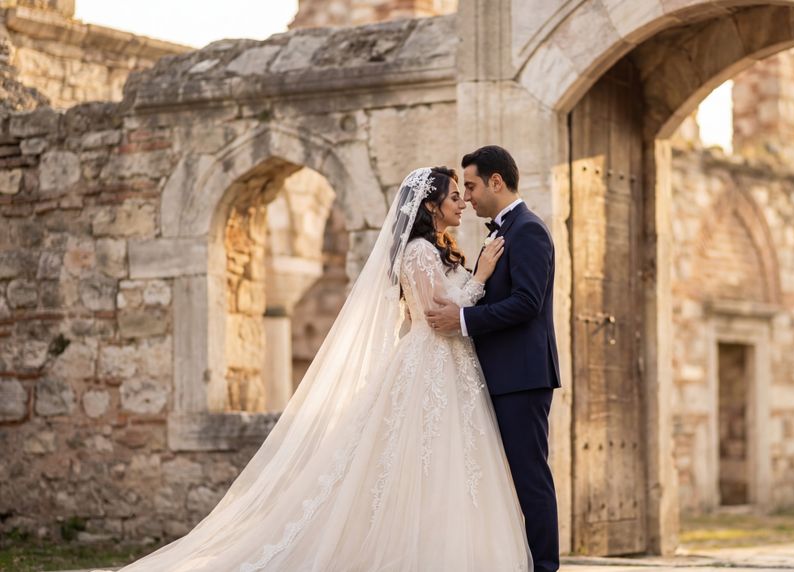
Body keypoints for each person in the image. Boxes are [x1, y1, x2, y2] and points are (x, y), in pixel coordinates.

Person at [96, 166, 531, 571]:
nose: (461, 203)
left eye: (462, 194)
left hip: (451, 369)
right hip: (428, 364)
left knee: (448, 466)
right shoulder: (418, 251)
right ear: (431, 206)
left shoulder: (439, 249)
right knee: (418, 463)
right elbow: (439, 315)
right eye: (455, 196)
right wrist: (482, 275)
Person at [427, 146, 561, 572]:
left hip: (522, 378)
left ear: (496, 181)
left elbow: (527, 302)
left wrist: (463, 319)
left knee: (529, 478)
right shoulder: (500, 231)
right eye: (460, 190)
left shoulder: (528, 230)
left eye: (470, 186)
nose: (466, 197)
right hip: (499, 376)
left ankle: (545, 567)